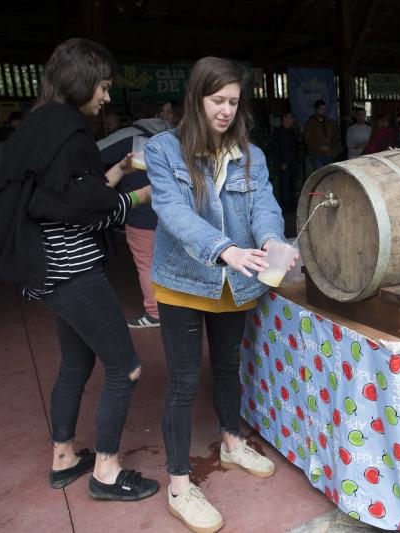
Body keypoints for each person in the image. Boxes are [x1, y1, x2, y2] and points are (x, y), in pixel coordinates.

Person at [0, 38, 158, 501]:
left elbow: (66, 195)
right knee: (127, 367)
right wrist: (142, 196)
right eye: (102, 87)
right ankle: (106, 471)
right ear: (81, 82)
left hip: (43, 272)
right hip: (73, 272)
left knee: (75, 365)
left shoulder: (38, 126)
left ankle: (63, 459)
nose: (105, 97)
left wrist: (115, 175)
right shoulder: (71, 129)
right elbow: (82, 211)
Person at [145, 56, 295, 533]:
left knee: (229, 367)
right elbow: (172, 212)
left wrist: (271, 240)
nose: (227, 110)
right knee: (184, 382)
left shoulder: (251, 154)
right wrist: (225, 249)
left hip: (236, 283)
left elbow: (265, 205)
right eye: (218, 101)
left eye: (233, 101)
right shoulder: (164, 149)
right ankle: (179, 486)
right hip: (184, 283)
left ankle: (232, 445)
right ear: (196, 99)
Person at [98, 111, 173, 328]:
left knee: (147, 264)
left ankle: (155, 313)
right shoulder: (175, 136)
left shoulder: (127, 135)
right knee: (175, 263)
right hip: (175, 213)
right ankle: (178, 310)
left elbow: (91, 153)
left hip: (142, 212)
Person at [271, 111, 300, 211]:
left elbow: (295, 149)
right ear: (285, 119)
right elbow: (275, 149)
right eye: (291, 118)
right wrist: (281, 163)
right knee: (284, 187)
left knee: (293, 186)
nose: (293, 120)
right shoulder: (277, 133)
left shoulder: (292, 133)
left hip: (293, 163)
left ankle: (293, 206)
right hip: (284, 165)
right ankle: (285, 208)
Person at [303, 99, 340, 171]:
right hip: (317, 154)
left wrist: (335, 148)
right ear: (316, 110)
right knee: (319, 175)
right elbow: (309, 140)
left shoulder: (329, 122)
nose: (323, 111)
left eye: (325, 109)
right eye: (321, 109)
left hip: (329, 153)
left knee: (329, 174)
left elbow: (335, 137)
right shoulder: (310, 123)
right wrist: (320, 147)